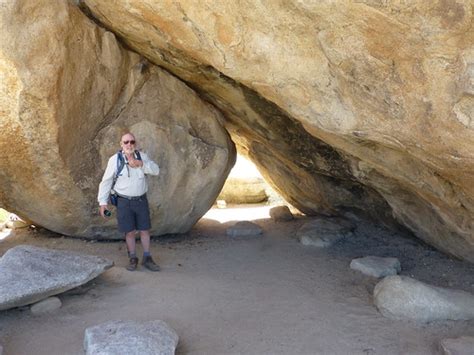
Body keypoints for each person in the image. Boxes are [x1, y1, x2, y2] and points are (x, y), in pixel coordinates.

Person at [98, 132, 161, 271]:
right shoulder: (115, 160)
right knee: (129, 232)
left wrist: (141, 164)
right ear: (121, 144)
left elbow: (156, 170)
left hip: (140, 200)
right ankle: (133, 257)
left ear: (135, 144)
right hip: (124, 201)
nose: (129, 145)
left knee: (144, 230)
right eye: (126, 142)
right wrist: (103, 203)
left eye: (132, 142)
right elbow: (106, 182)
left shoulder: (141, 157)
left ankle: (147, 257)